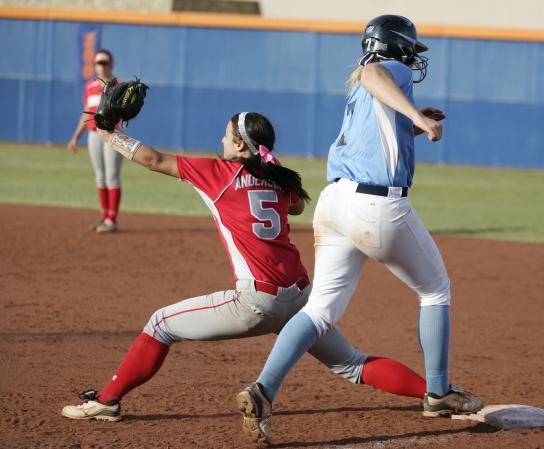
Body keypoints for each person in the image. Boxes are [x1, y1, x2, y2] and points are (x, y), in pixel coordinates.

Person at [61, 111, 429, 427]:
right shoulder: (279, 179)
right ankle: (436, 394)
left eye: (226, 135)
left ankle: (107, 402)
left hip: (255, 303)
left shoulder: (218, 173)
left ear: (240, 146)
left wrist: (110, 133)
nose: (220, 139)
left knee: (160, 324)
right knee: (351, 365)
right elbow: (297, 207)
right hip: (303, 301)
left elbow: (154, 159)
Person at [237, 15, 484, 446]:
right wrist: (418, 118)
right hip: (376, 204)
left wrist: (409, 120)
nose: (413, 58)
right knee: (435, 290)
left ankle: (262, 390)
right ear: (397, 47)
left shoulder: (359, 84)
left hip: (335, 203)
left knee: (319, 311)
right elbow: (375, 72)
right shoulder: (386, 69)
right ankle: (438, 393)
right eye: (410, 49)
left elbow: (372, 115)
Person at [67, 49, 123, 233]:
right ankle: (104, 216)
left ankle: (111, 220)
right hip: (93, 135)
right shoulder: (90, 86)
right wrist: (76, 137)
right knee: (100, 177)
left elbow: (127, 110)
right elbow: (87, 113)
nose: (102, 66)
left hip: (112, 134)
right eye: (99, 62)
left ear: (111, 64)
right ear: (95, 65)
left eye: (105, 62)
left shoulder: (119, 85)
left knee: (112, 177)